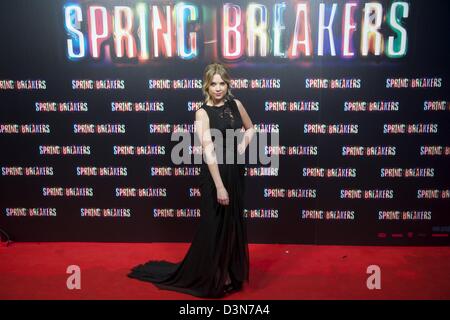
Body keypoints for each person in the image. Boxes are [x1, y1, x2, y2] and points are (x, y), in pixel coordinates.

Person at [128, 62, 255, 298]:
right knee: (214, 226)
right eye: (213, 84)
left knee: (233, 224)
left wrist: (241, 146)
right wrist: (219, 186)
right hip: (215, 174)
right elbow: (208, 151)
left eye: (222, 83)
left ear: (228, 84)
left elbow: (251, 129)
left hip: (235, 171)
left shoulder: (236, 104)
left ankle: (228, 272)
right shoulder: (202, 113)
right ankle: (210, 273)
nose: (218, 88)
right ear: (206, 86)